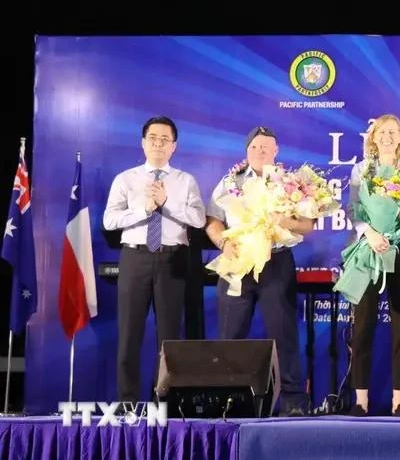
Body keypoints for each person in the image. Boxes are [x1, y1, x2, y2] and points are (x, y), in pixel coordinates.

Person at [205, 126, 315, 417]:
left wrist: (286, 221)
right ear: (247, 151)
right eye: (255, 147)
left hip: (275, 262)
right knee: (230, 334)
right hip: (238, 263)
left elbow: (308, 224)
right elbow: (212, 220)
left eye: (266, 147)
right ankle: (228, 400)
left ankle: (292, 403)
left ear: (276, 152)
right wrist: (222, 242)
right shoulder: (230, 181)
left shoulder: (290, 183)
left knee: (284, 335)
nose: (260, 151)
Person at [103, 115, 206, 404]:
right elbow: (110, 220)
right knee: (129, 334)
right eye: (153, 138)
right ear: (143, 143)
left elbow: (198, 219)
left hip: (173, 259)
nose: (158, 144)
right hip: (135, 257)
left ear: (174, 146)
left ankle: (165, 403)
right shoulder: (126, 179)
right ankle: (127, 403)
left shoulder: (186, 181)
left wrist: (167, 204)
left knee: (170, 337)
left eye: (165, 140)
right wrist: (145, 209)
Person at [346, 114, 400, 417]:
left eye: (394, 132)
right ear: (373, 137)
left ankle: (399, 401)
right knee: (363, 324)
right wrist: (370, 233)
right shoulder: (361, 170)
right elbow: (354, 209)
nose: (389, 136)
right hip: (369, 250)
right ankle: (360, 401)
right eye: (383, 131)